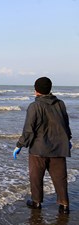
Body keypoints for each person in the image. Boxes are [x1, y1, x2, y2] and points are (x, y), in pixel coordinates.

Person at [13, 77, 72, 214]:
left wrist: (19, 145)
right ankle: (64, 204)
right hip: (59, 148)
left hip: (38, 150)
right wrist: (67, 140)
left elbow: (29, 130)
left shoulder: (34, 106)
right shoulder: (60, 104)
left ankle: (36, 202)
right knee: (60, 178)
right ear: (50, 89)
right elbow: (65, 125)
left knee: (36, 177)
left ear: (36, 90)